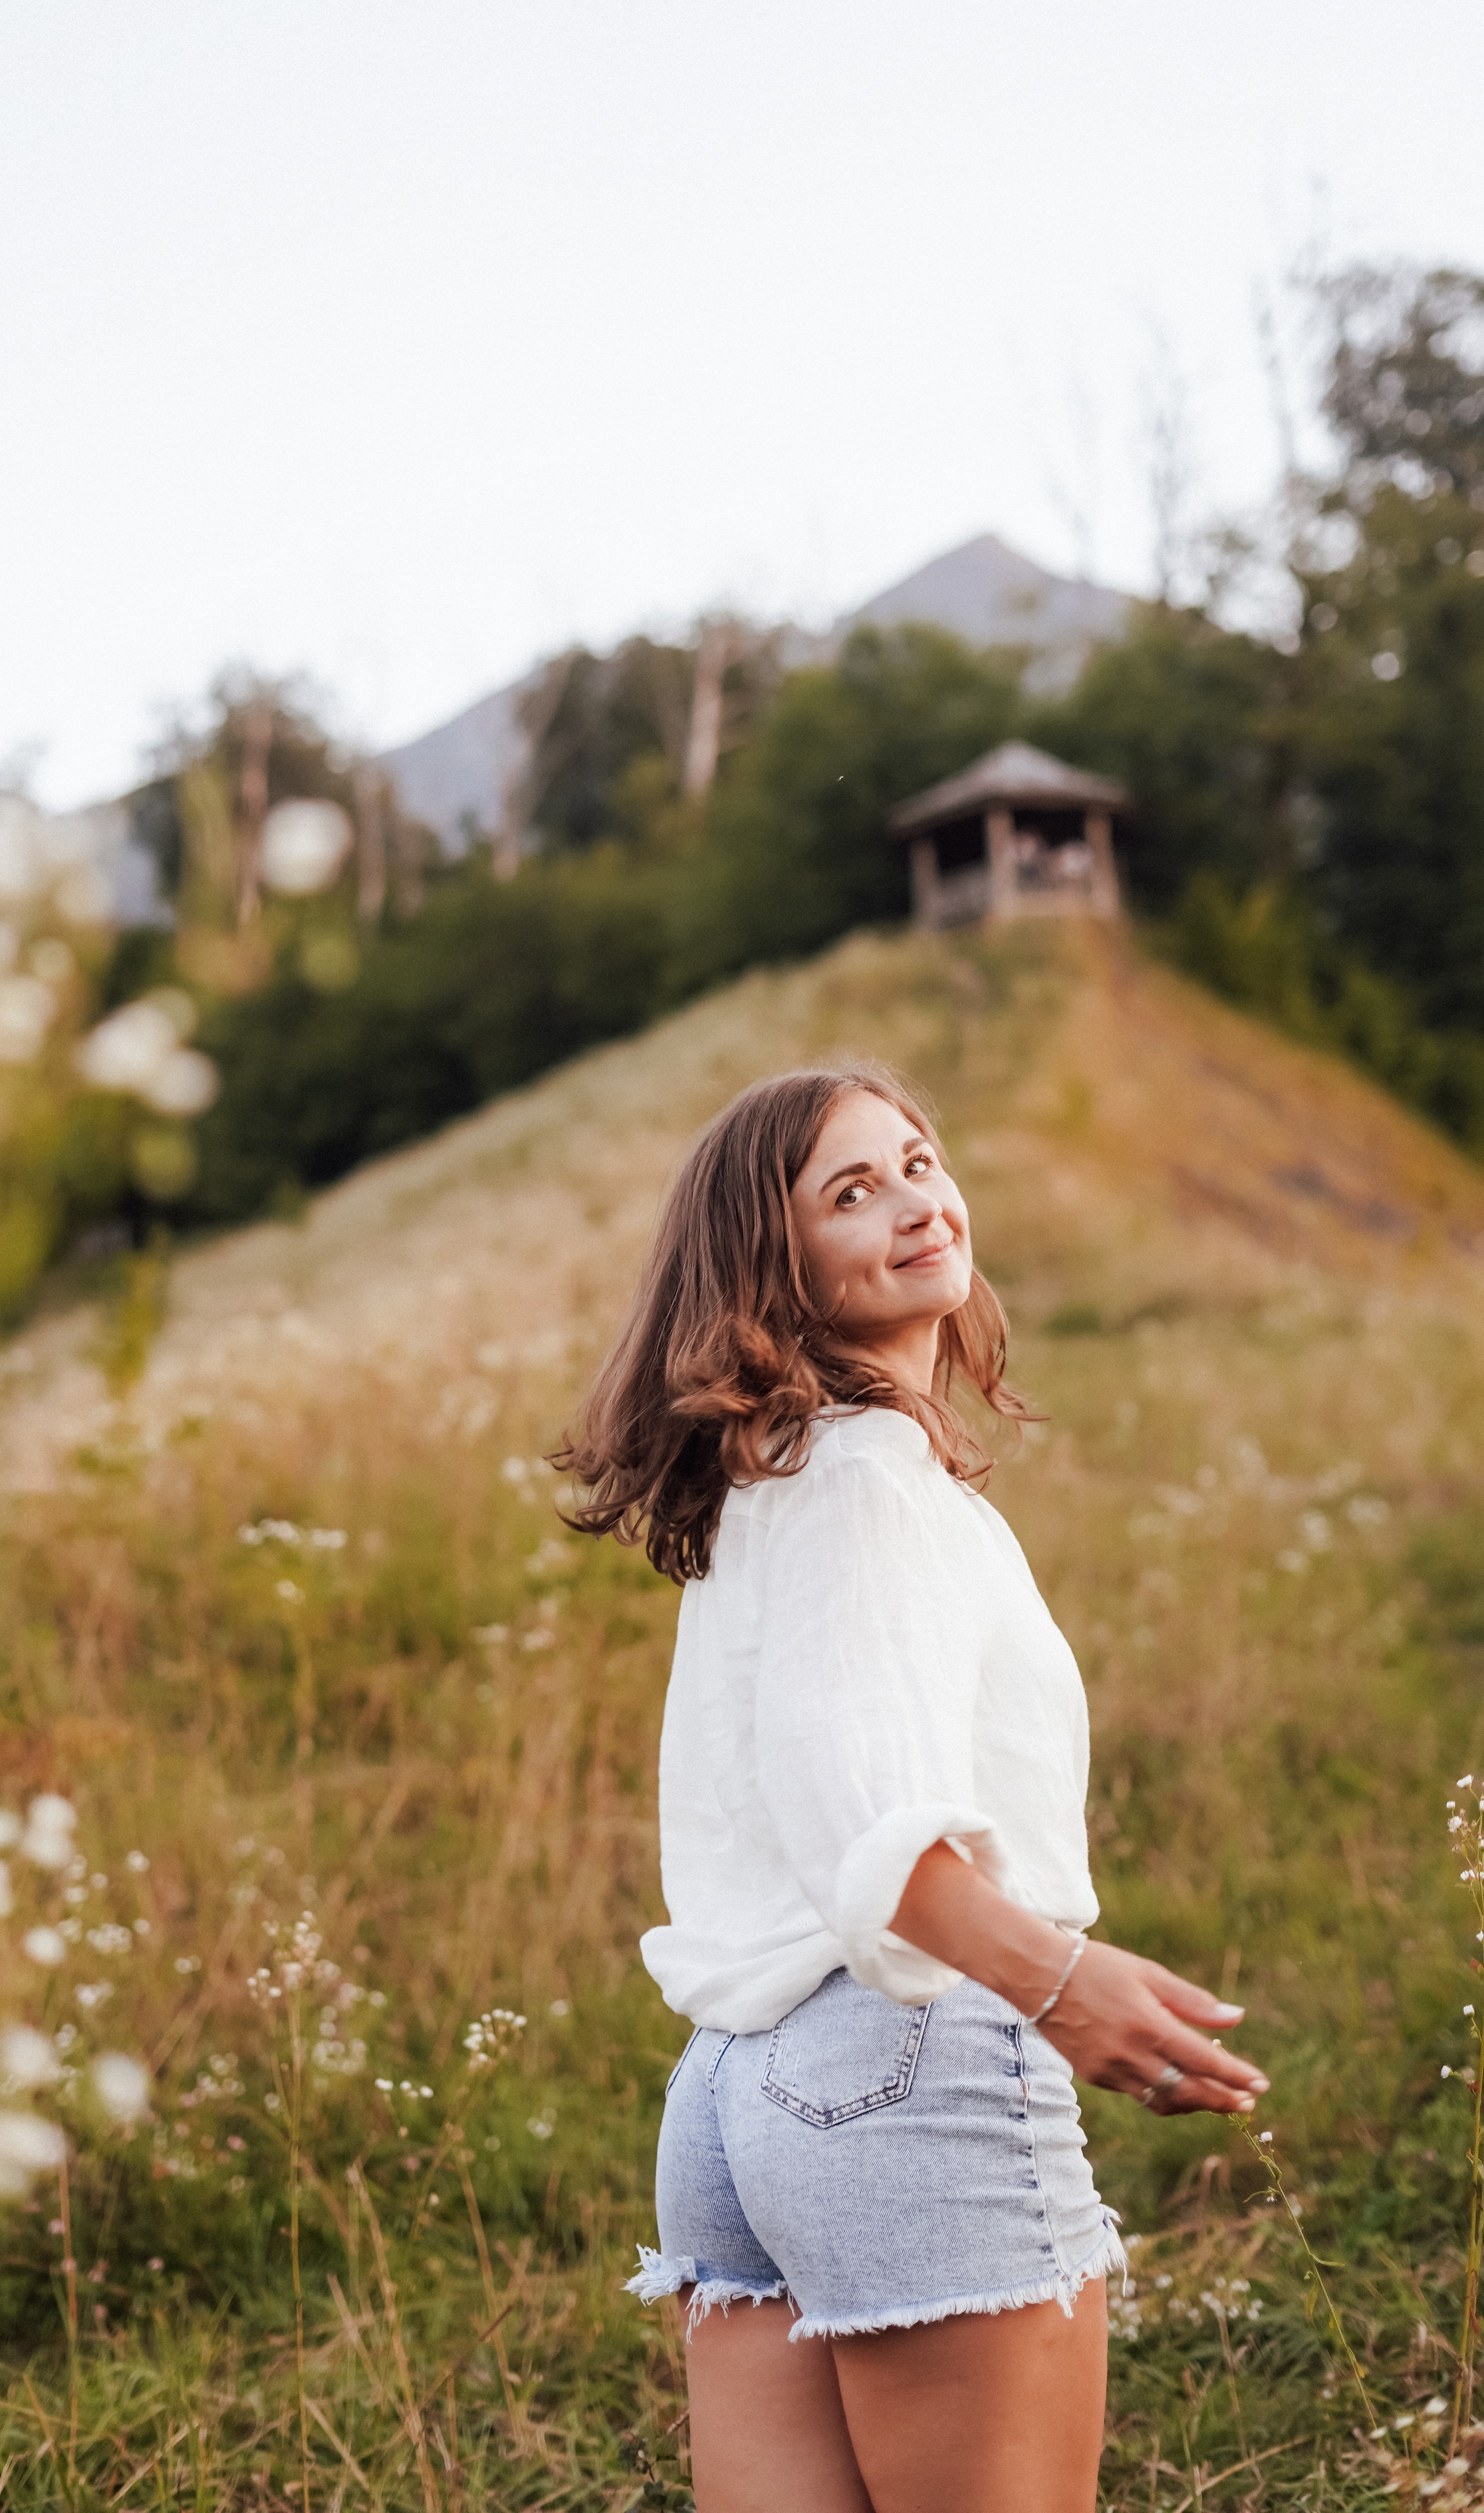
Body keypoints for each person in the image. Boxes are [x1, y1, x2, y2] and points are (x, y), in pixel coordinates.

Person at [558, 1065, 1267, 2513]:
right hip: (903, 2069)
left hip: (740, 2094)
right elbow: (859, 1817)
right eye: (850, 1192)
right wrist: (1058, 1981)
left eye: (918, 1161)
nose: (913, 1202)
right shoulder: (865, 1476)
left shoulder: (785, 1481)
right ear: (776, 1266)